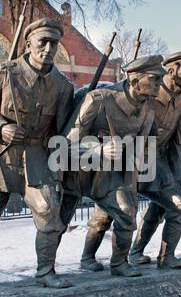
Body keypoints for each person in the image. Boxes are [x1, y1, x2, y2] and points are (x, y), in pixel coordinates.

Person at [0, 18, 74, 289]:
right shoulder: (5, 71)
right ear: (28, 43)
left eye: (54, 43)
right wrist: (1, 128)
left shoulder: (63, 86)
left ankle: (46, 271)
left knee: (49, 213)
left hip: (37, 158)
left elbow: (61, 131)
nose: (48, 48)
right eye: (42, 41)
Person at [81, 51, 181, 271]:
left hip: (151, 162)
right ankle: (89, 257)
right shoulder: (130, 93)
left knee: (179, 204)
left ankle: (164, 257)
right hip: (117, 163)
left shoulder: (177, 102)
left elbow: (178, 144)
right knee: (108, 212)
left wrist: (180, 181)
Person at [62, 56, 167, 277]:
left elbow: (145, 143)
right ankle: (71, 262)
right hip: (86, 172)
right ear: (135, 79)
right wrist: (98, 150)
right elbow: (67, 143)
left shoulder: (148, 108)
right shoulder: (99, 100)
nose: (160, 84)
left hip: (120, 172)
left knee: (122, 212)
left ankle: (118, 263)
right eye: (155, 79)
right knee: (65, 222)